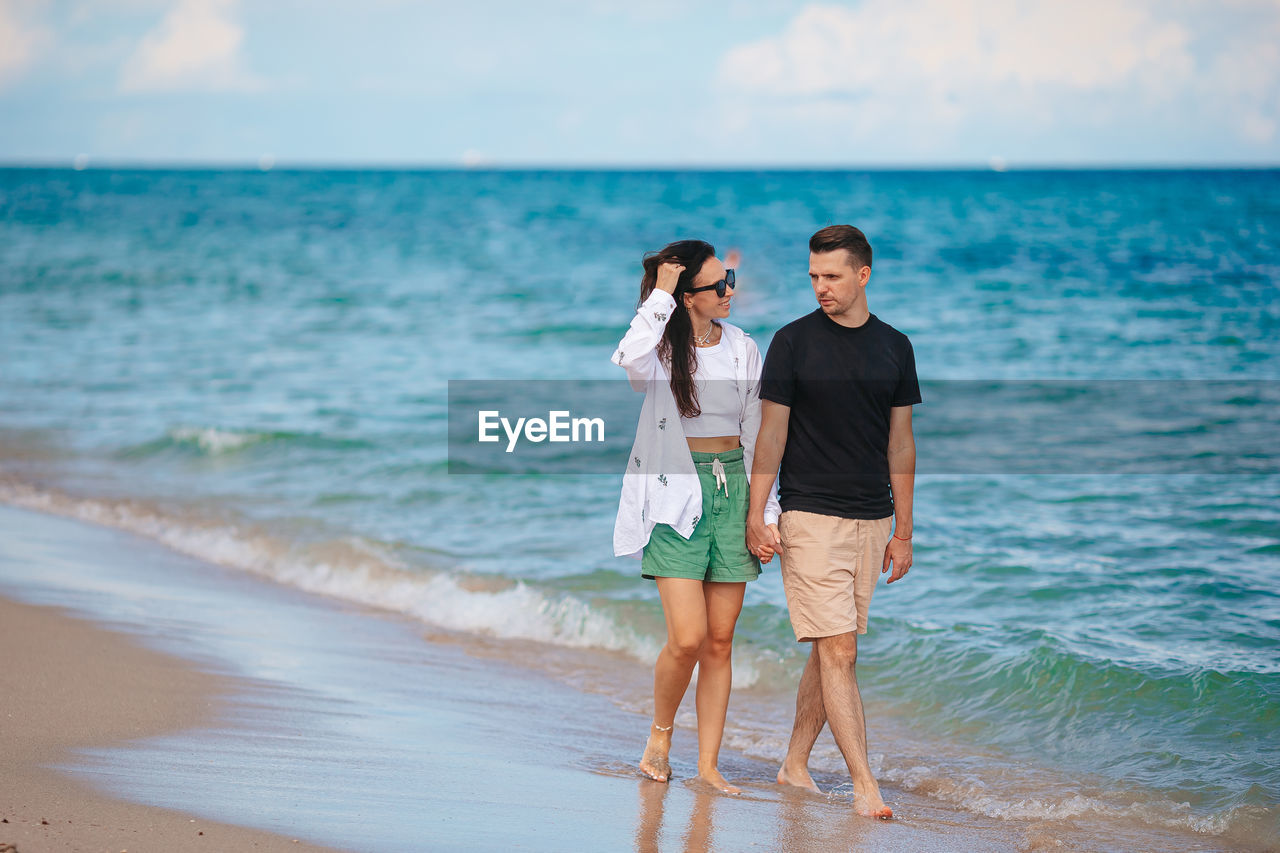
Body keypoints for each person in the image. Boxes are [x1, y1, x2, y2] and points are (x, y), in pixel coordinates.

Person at [746, 225, 920, 819]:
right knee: (839, 648)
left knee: (832, 649)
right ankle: (864, 784)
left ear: (863, 275)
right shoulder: (792, 342)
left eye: (832, 276)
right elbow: (771, 435)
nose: (820, 286)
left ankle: (794, 764)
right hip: (809, 514)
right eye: (814, 276)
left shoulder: (896, 347)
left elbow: (901, 442)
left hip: (873, 520)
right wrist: (756, 514)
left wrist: (904, 530)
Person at [612, 239, 781, 794]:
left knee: (719, 640)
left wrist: (765, 510)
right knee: (687, 638)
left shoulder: (742, 347)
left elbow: (759, 435)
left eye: (728, 278)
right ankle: (660, 735)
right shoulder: (661, 350)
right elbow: (628, 357)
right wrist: (661, 291)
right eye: (716, 286)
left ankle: (708, 765)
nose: (729, 291)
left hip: (734, 489)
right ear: (687, 298)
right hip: (674, 494)